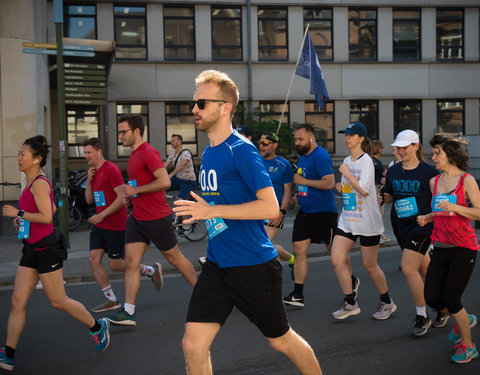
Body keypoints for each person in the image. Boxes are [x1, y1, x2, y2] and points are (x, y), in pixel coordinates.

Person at [174, 69, 322, 375]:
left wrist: (213, 212)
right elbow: (221, 200)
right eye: (194, 103)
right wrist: (203, 207)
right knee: (193, 345)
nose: (194, 109)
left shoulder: (241, 150)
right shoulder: (210, 151)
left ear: (225, 107)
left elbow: (269, 207)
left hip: (252, 265)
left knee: (281, 341)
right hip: (217, 264)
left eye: (201, 103)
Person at [0, 136, 110, 371]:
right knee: (17, 300)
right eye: (19, 154)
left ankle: (97, 327)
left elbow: (48, 217)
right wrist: (23, 222)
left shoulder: (39, 182)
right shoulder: (30, 182)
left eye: (23, 154)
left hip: (47, 251)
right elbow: (48, 208)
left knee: (58, 301)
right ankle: (8, 353)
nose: (19, 158)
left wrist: (18, 213)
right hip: (30, 249)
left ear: (36, 159)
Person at [106, 115, 197, 326]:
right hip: (137, 218)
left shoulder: (148, 152)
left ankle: (202, 293)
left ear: (136, 131)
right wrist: (131, 195)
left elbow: (164, 181)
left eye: (123, 132)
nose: (120, 136)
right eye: (119, 132)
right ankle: (128, 312)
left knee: (175, 258)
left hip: (156, 218)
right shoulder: (134, 155)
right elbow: (140, 183)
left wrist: (136, 189)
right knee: (131, 263)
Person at [417, 134, 479, 363]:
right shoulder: (435, 182)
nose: (432, 157)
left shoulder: (466, 181)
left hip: (463, 248)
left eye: (437, 153)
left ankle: (468, 346)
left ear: (451, 155)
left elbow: (479, 212)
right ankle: (464, 318)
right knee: (433, 298)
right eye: (433, 153)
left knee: (452, 300)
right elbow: (442, 211)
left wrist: (455, 205)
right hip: (440, 247)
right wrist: (428, 217)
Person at [283, 123, 358, 308]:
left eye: (300, 139)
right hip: (306, 212)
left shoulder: (320, 156)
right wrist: (299, 194)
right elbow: (305, 182)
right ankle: (298, 294)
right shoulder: (303, 158)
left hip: (324, 212)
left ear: (311, 138)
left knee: (335, 252)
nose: (297, 143)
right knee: (299, 249)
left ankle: (351, 279)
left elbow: (329, 183)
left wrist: (303, 182)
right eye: (295, 140)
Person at [83, 138, 161, 313]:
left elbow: (123, 200)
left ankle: (150, 270)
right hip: (100, 224)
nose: (86, 156)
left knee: (116, 265)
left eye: (89, 152)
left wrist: (102, 215)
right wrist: (89, 181)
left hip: (115, 225)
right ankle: (111, 300)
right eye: (85, 152)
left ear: (98, 152)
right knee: (93, 260)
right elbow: (89, 200)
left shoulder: (111, 170)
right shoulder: (94, 172)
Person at [330, 122, 396, 320]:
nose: (347, 138)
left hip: (367, 221)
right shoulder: (346, 160)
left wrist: (347, 175)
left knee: (369, 265)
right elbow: (351, 187)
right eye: (346, 134)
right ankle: (350, 303)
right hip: (349, 219)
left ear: (361, 138)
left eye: (351, 135)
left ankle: (387, 302)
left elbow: (365, 190)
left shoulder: (367, 161)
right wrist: (341, 185)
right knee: (336, 258)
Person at [382, 129, 439, 336]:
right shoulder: (395, 171)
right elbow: (390, 197)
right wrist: (383, 197)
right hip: (401, 225)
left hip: (422, 226)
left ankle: (422, 315)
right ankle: (443, 306)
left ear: (416, 146)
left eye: (405, 147)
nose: (400, 150)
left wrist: (431, 217)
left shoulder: (430, 172)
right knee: (425, 269)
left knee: (408, 268)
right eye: (398, 147)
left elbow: (440, 201)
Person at [258, 131, 295, 276]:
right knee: (260, 244)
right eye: (260, 143)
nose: (261, 146)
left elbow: (287, 191)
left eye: (265, 143)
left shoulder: (284, 165)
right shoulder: (255, 161)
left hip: (274, 210)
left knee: (262, 245)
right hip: (255, 209)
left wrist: (282, 211)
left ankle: (272, 277)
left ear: (275, 145)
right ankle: (291, 258)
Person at [164, 134, 197, 200]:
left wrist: (170, 175)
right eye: (171, 141)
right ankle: (168, 209)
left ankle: (188, 200)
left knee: (180, 201)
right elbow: (164, 166)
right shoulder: (172, 153)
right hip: (178, 179)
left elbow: (180, 167)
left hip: (188, 181)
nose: (171, 142)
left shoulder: (186, 153)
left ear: (179, 141)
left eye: (173, 141)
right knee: (162, 187)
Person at [370, 140, 389, 244]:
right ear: (378, 149)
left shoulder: (369, 160)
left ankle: (378, 234)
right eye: (381, 147)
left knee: (374, 213)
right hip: (378, 189)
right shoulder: (377, 162)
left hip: (371, 189)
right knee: (379, 213)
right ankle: (379, 235)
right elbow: (386, 173)